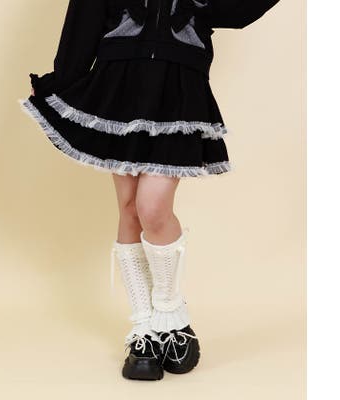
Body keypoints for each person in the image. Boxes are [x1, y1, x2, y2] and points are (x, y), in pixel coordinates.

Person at [19, 0, 280, 381]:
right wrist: (61, 80)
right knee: (129, 208)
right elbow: (84, 20)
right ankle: (144, 328)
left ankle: (171, 317)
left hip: (178, 87)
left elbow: (235, 11)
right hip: (119, 85)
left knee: (152, 208)